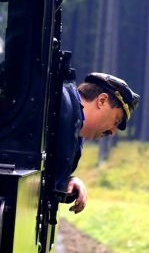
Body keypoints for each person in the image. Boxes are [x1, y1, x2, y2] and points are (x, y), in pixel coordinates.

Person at [54, 72, 139, 214]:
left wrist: (68, 180)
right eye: (116, 121)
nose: (112, 132)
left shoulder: (70, 123)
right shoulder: (57, 107)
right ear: (102, 100)